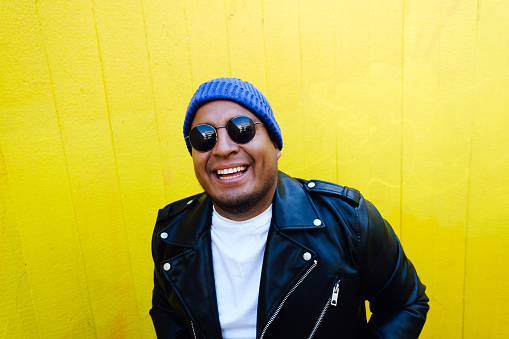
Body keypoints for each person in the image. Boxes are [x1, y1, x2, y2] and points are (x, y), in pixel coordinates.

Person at [150, 77, 429, 339]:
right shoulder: (172, 233)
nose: (223, 148)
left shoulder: (348, 219)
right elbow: (167, 314)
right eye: (203, 137)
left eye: (242, 129)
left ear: (275, 143)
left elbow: (405, 303)